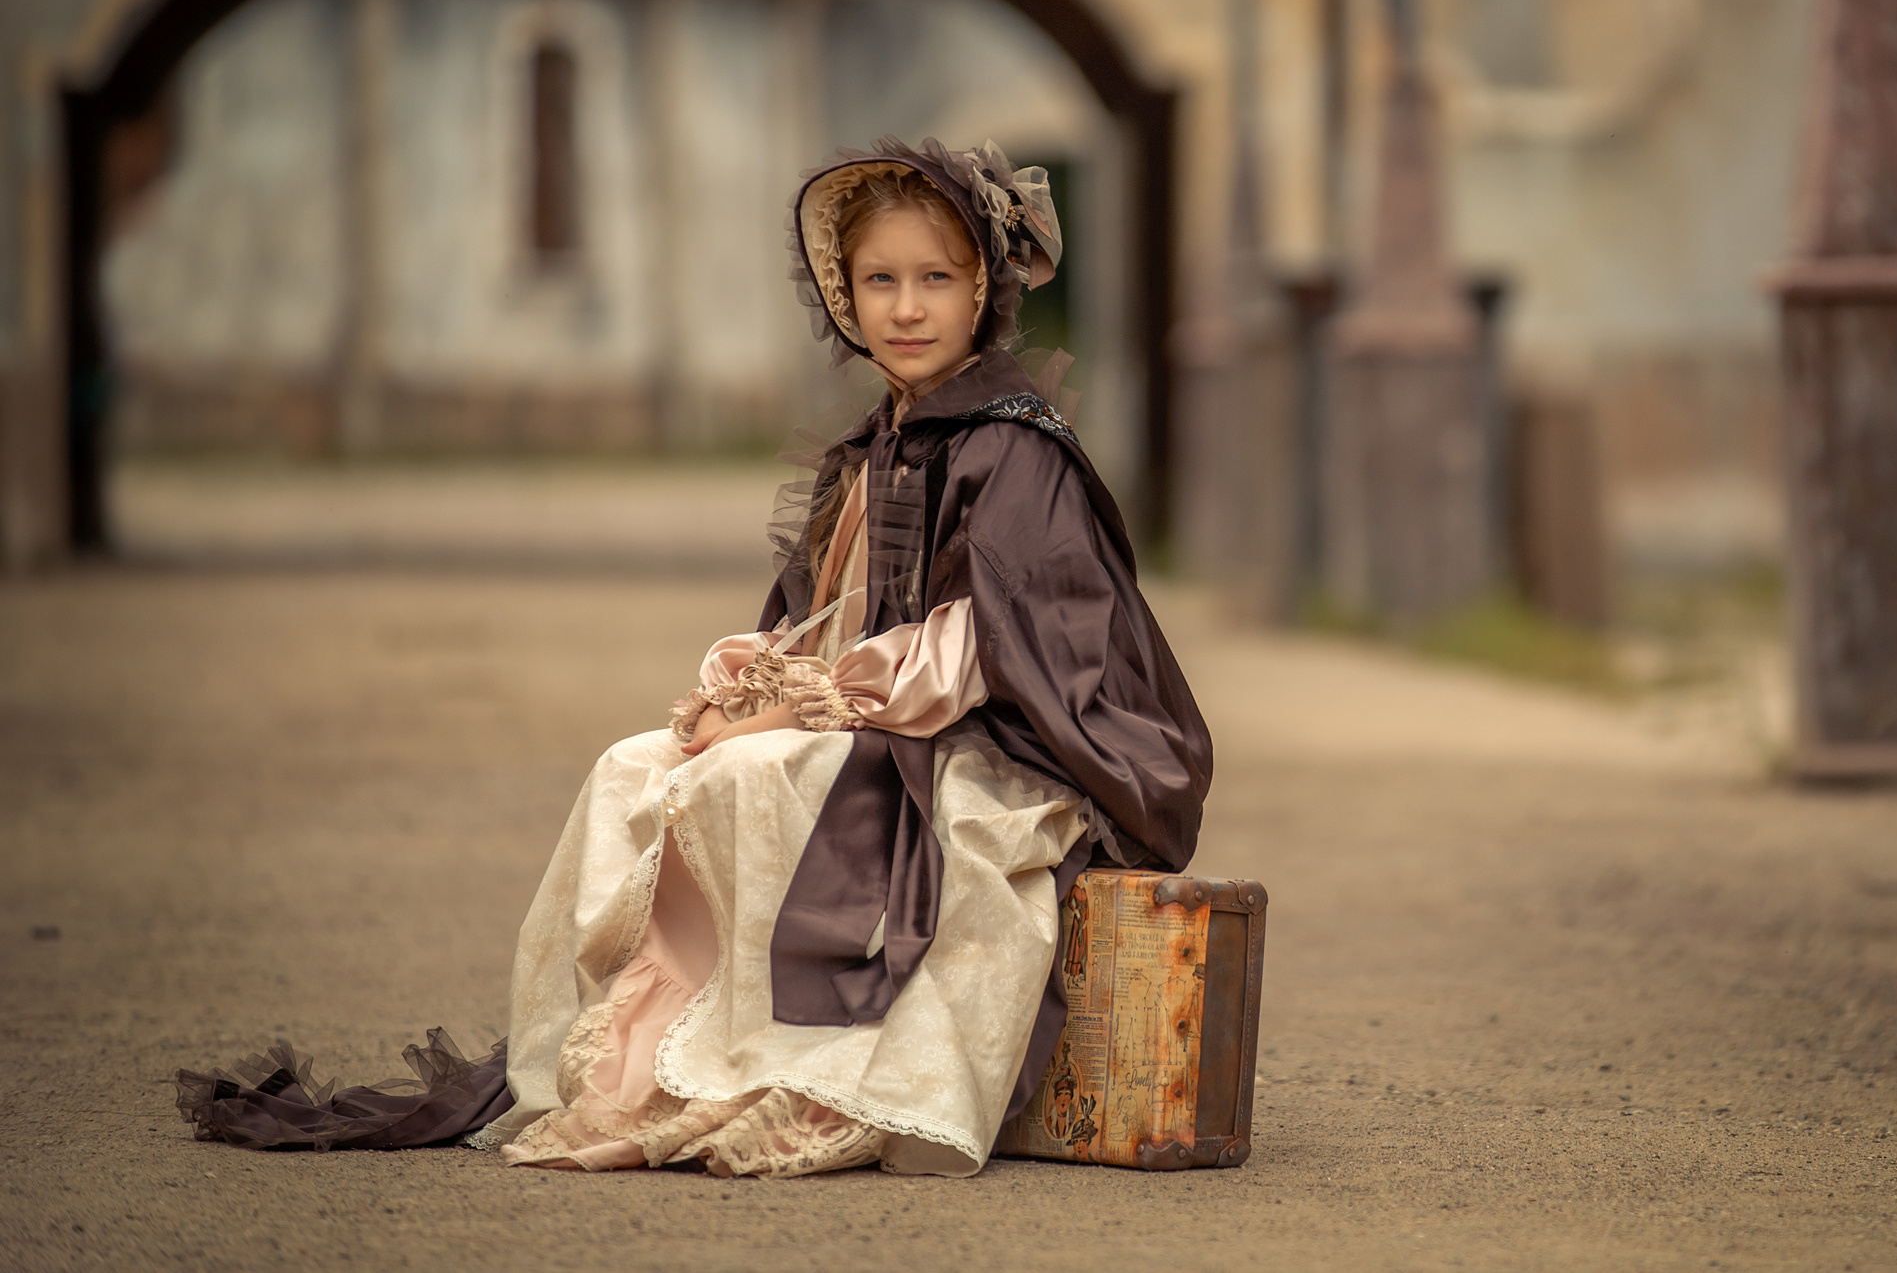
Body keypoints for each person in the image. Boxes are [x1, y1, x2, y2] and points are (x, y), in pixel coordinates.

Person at [177, 140, 1214, 1179]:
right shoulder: (879, 444)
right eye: (879, 280)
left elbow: (975, 649)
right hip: (870, 717)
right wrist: (743, 686)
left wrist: (781, 715)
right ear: (844, 296)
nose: (906, 308)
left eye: (935, 278)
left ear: (981, 288)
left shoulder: (1012, 447)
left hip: (989, 742)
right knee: (631, 766)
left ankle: (769, 1065)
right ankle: (632, 1066)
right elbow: (826, 619)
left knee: (745, 777)